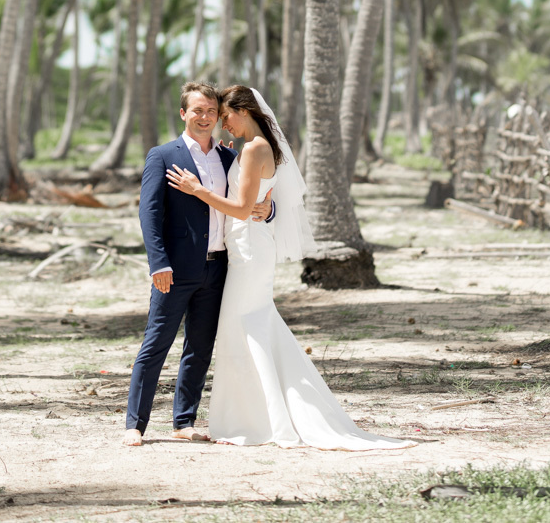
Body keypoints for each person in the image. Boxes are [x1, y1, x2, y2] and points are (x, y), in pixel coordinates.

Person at [166, 84, 415, 450]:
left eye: (225, 117)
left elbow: (239, 208)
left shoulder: (256, 149)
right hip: (245, 248)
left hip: (249, 251)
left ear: (244, 111)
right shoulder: (251, 148)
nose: (222, 125)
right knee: (248, 326)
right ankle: (254, 415)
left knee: (246, 325)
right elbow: (255, 203)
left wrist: (196, 189)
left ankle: (262, 421)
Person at [124, 82, 274, 446]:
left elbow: (254, 197)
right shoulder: (162, 155)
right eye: (198, 111)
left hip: (220, 268)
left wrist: (270, 211)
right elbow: (150, 214)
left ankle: (183, 420)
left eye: (212, 112)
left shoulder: (229, 157)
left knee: (200, 346)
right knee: (156, 343)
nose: (206, 118)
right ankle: (135, 424)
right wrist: (158, 263)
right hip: (174, 270)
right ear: (183, 114)